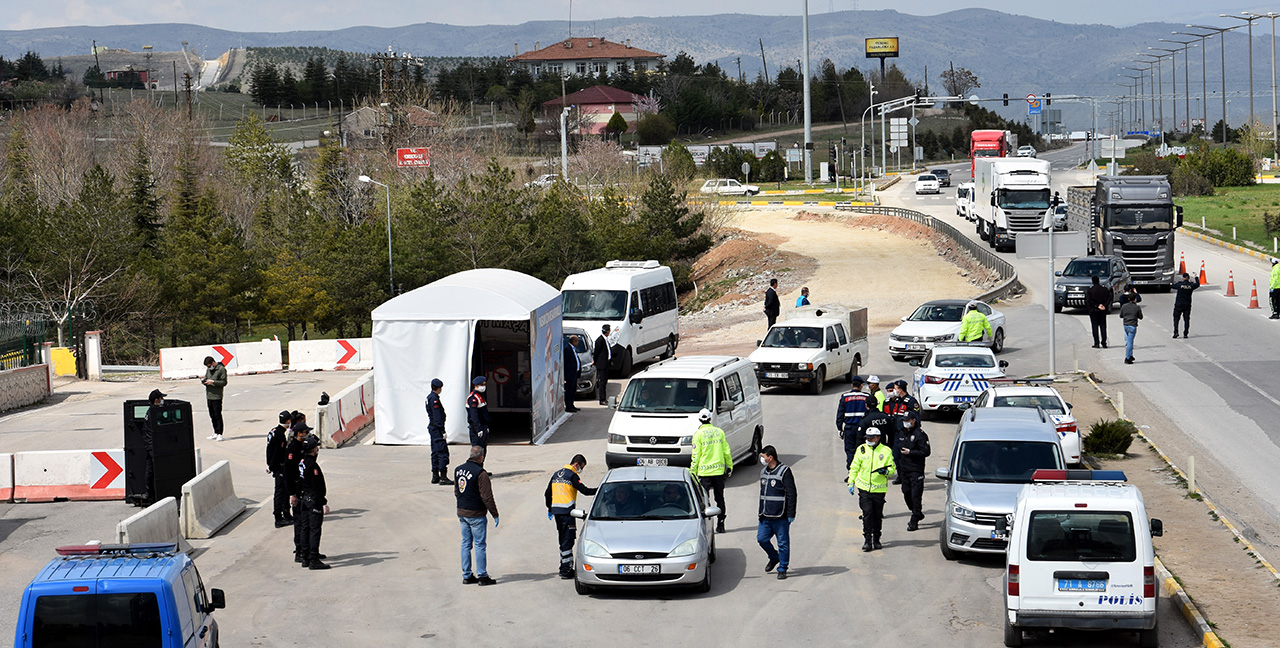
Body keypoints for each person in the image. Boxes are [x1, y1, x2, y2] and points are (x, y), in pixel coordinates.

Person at [544, 454, 597, 579]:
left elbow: (547, 494)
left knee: (562, 539)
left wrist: (550, 508)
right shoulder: (572, 476)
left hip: (557, 513)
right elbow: (584, 490)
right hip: (568, 513)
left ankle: (563, 565)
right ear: (577, 464)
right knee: (568, 540)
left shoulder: (556, 474)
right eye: (582, 467)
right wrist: (599, 490)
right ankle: (566, 570)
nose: (581, 470)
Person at [455, 445, 499, 586]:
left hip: (462, 512)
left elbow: (457, 491)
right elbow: (487, 497)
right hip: (476, 514)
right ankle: (482, 575)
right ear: (481, 456)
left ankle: (467, 575)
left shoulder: (458, 470)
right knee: (480, 545)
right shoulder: (481, 473)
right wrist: (495, 513)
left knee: (466, 544)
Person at [847, 427, 896, 552]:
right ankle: (867, 540)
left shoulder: (885, 451)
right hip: (864, 488)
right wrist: (851, 482)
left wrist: (886, 471)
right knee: (867, 513)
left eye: (871, 438)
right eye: (867, 438)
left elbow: (892, 469)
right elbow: (854, 467)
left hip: (879, 490)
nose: (869, 440)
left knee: (877, 515)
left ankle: (877, 539)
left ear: (878, 438)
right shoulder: (861, 450)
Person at [757, 445, 797, 580]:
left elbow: (792, 493)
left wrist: (791, 513)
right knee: (761, 539)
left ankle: (782, 568)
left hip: (781, 515)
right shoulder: (763, 472)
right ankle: (774, 558)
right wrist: (760, 513)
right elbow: (762, 494)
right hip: (765, 515)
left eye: (763, 457)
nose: (762, 460)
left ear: (770, 457)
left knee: (783, 543)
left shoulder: (784, 471)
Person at [690, 408, 732, 534]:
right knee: (720, 498)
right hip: (719, 472)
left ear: (699, 419)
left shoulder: (698, 435)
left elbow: (696, 455)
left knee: (704, 499)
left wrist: (693, 471)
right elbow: (726, 451)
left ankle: (706, 524)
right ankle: (721, 524)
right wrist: (729, 466)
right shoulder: (719, 432)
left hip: (704, 473)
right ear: (710, 419)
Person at [294, 434, 330, 569]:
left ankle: (305, 556)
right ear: (313, 449)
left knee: (305, 529)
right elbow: (318, 486)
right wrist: (323, 502)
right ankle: (313, 559)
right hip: (312, 501)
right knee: (314, 530)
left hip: (304, 499)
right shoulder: (312, 466)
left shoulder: (302, 462)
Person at [893, 411, 930, 531]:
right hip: (904, 468)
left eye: (908, 421)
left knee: (916, 495)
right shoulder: (901, 432)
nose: (905, 423)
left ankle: (914, 519)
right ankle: (916, 512)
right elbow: (897, 446)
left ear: (913, 420)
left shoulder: (920, 435)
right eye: (904, 421)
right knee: (906, 492)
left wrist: (911, 452)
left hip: (916, 469)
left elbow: (926, 452)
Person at [836, 377, 872, 470]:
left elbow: (840, 414)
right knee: (863, 450)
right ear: (861, 386)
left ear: (852, 385)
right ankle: (862, 471)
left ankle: (851, 472)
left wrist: (840, 428)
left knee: (850, 451)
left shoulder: (845, 397)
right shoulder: (866, 396)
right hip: (862, 429)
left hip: (849, 428)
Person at [265, 409, 293, 527]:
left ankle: (286, 513)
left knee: (285, 490)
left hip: (277, 466)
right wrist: (271, 467)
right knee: (280, 492)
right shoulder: (280, 435)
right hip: (279, 467)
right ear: (287, 421)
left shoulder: (274, 430)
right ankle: (278, 517)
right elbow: (277, 453)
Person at [140, 388, 165, 504]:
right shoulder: (154, 413)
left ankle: (149, 493)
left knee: (150, 470)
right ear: (156, 400)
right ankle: (156, 494)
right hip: (154, 446)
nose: (162, 400)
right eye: (161, 398)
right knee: (157, 470)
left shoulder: (150, 411)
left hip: (149, 445)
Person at [426, 379, 452, 485]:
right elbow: (437, 417)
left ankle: (435, 475)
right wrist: (442, 431)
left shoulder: (429, 397)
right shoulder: (434, 399)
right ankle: (443, 477)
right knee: (442, 452)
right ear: (439, 388)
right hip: (437, 429)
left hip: (433, 429)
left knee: (435, 452)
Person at [201, 356, 228, 441]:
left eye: (209, 366)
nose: (209, 368)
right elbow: (207, 377)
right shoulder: (209, 370)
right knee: (212, 415)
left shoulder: (221, 369)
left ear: (213, 363)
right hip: (209, 395)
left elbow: (224, 382)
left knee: (217, 414)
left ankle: (220, 433)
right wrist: (205, 381)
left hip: (217, 396)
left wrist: (213, 382)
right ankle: (215, 432)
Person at [1171, 272, 1200, 338]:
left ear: (1183, 278)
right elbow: (1197, 284)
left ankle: (1176, 332)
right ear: (1189, 278)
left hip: (1178, 305)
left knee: (1176, 319)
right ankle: (1185, 333)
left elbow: (1172, 286)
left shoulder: (1179, 285)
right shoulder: (1191, 285)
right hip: (1187, 305)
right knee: (1186, 319)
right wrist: (1196, 277)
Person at [1086, 276, 1112, 348]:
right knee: (1103, 326)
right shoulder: (1104, 289)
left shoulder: (1090, 290)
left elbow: (1089, 300)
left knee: (1095, 327)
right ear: (1099, 281)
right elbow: (1109, 298)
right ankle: (1104, 342)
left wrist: (1097, 305)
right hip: (1103, 310)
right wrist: (1104, 305)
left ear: (1092, 281)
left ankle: (1096, 343)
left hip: (1094, 310)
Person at [1119, 293, 1144, 364]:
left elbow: (1121, 315)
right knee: (1130, 342)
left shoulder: (1124, 306)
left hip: (1126, 325)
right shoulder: (1137, 307)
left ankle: (1130, 355)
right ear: (1135, 299)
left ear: (1128, 299)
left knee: (1128, 340)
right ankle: (1127, 358)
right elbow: (1141, 317)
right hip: (1133, 325)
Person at [466, 376, 490, 447]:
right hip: (477, 428)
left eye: (484, 384)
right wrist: (478, 429)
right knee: (477, 450)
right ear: (476, 385)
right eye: (482, 385)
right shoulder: (473, 398)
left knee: (483, 449)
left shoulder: (480, 396)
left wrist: (486, 425)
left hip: (483, 426)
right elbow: (474, 415)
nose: (484, 387)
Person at [593, 325, 612, 405]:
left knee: (605, 382)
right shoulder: (600, 340)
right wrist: (595, 361)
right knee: (602, 382)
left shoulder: (605, 339)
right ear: (607, 331)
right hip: (602, 365)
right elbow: (596, 352)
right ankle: (602, 399)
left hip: (606, 364)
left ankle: (604, 398)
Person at [563, 335, 581, 413]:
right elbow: (565, 362)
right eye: (577, 341)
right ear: (573, 341)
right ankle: (568, 406)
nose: (577, 343)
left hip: (574, 373)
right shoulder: (567, 349)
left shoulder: (573, 349)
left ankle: (572, 404)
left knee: (573, 390)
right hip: (569, 374)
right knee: (569, 390)